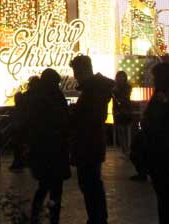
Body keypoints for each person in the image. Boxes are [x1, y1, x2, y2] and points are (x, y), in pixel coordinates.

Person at [68, 54, 114, 224]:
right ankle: (97, 217)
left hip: (88, 143)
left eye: (76, 72)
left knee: (89, 183)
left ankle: (97, 218)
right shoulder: (95, 90)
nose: (75, 76)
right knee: (92, 183)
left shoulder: (92, 92)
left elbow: (90, 118)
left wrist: (75, 115)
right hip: (91, 143)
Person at [26, 68, 70, 224]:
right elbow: (65, 122)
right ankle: (53, 218)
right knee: (55, 189)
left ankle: (36, 216)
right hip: (56, 150)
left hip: (43, 150)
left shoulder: (37, 98)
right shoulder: (57, 97)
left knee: (43, 186)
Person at [142, 62, 169, 224]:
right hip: (164, 145)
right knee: (166, 188)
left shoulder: (164, 96)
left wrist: (148, 123)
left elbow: (157, 119)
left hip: (161, 146)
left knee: (165, 188)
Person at [112, 70, 135, 156]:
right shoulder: (114, 88)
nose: (121, 78)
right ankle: (124, 149)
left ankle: (128, 149)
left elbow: (125, 97)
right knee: (120, 130)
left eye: (122, 77)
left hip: (126, 110)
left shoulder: (126, 87)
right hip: (118, 111)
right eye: (119, 77)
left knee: (126, 130)